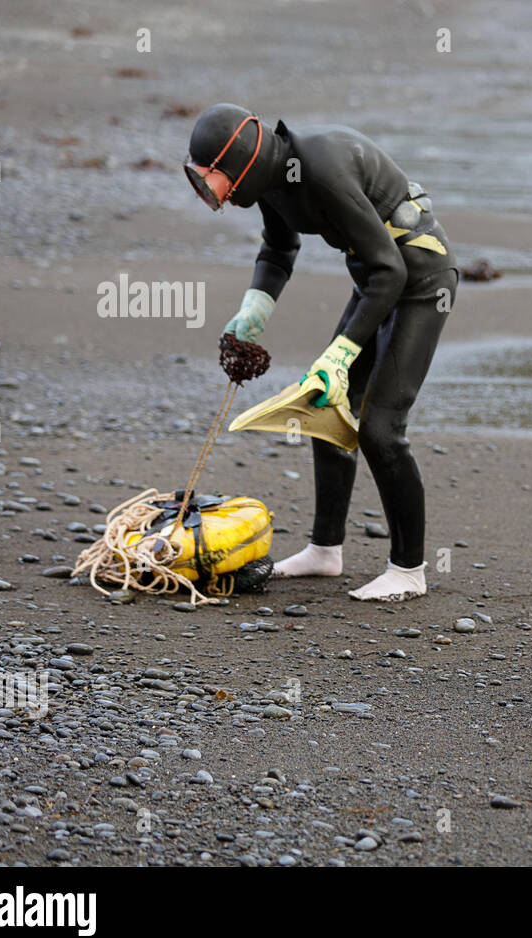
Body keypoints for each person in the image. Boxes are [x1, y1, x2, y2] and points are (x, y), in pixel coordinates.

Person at [184, 103, 457, 601]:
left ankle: (409, 569)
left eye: (215, 181)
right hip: (375, 282)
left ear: (239, 165)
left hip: (420, 283)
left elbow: (392, 270)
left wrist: (340, 353)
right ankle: (325, 551)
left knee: (380, 429)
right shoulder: (270, 179)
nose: (217, 195)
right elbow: (279, 248)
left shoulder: (321, 167)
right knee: (324, 406)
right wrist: (255, 308)